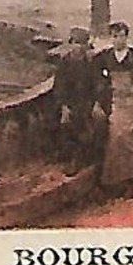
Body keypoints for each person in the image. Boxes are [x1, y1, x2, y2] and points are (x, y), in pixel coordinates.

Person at [92, 21, 133, 195]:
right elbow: (96, 75)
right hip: (115, 102)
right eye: (115, 36)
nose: (118, 40)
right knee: (115, 138)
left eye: (122, 36)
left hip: (132, 101)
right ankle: (119, 182)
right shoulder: (105, 57)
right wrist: (99, 100)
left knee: (127, 137)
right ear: (111, 38)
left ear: (126, 37)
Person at [52, 27, 102, 171]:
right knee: (64, 123)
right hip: (70, 101)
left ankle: (86, 156)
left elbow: (99, 84)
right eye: (75, 43)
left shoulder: (91, 62)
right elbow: (59, 86)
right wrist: (64, 106)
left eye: (81, 43)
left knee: (91, 122)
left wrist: (97, 103)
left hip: (88, 100)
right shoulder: (65, 62)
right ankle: (71, 156)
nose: (78, 47)